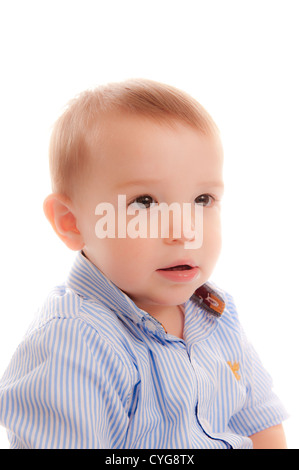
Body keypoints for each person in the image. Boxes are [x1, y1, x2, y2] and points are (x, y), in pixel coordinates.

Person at [0, 79, 288, 449]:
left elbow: (260, 423)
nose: (185, 231)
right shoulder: (74, 343)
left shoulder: (216, 315)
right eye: (146, 202)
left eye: (202, 199)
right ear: (71, 221)